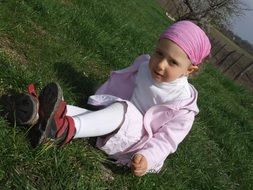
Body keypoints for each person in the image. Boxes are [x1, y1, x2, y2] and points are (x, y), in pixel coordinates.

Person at [3, 20, 211, 176]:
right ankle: (38, 113)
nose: (160, 64)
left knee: (125, 110)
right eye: (159, 53)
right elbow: (120, 86)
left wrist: (147, 158)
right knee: (110, 111)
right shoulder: (144, 65)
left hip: (133, 145)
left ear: (190, 70)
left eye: (172, 62)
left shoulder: (183, 106)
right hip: (110, 119)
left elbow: (167, 141)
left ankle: (64, 129)